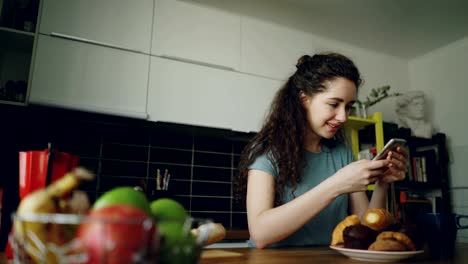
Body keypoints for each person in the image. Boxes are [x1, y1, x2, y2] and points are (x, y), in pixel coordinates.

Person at [235, 53, 408, 249]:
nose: (343, 117)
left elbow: (365, 231)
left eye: (348, 107)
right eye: (334, 104)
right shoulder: (267, 152)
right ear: (304, 100)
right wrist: (337, 184)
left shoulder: (341, 153)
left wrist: (382, 184)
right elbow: (260, 234)